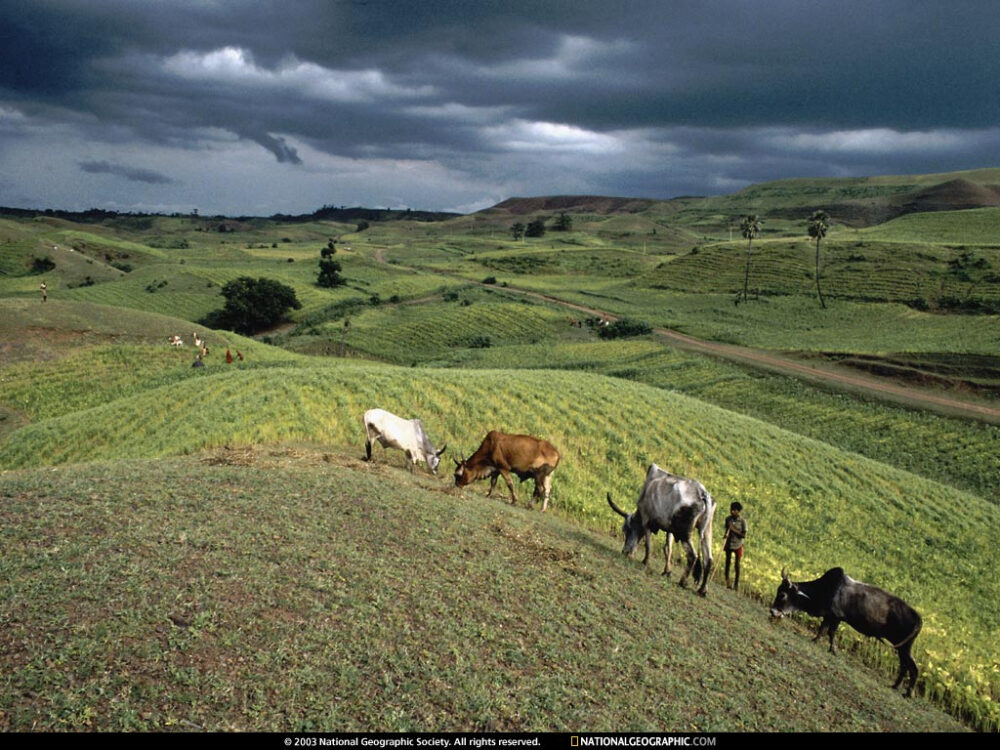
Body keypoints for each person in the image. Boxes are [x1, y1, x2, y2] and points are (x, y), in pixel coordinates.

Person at [723, 501, 747, 591]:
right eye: (731, 509)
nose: (732, 511)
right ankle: (727, 582)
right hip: (729, 543)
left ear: (738, 511)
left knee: (737, 564)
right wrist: (725, 534)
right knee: (727, 562)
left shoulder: (743, 521)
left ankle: (736, 585)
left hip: (738, 544)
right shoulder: (728, 519)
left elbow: (744, 535)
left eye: (734, 510)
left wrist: (733, 529)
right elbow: (727, 530)